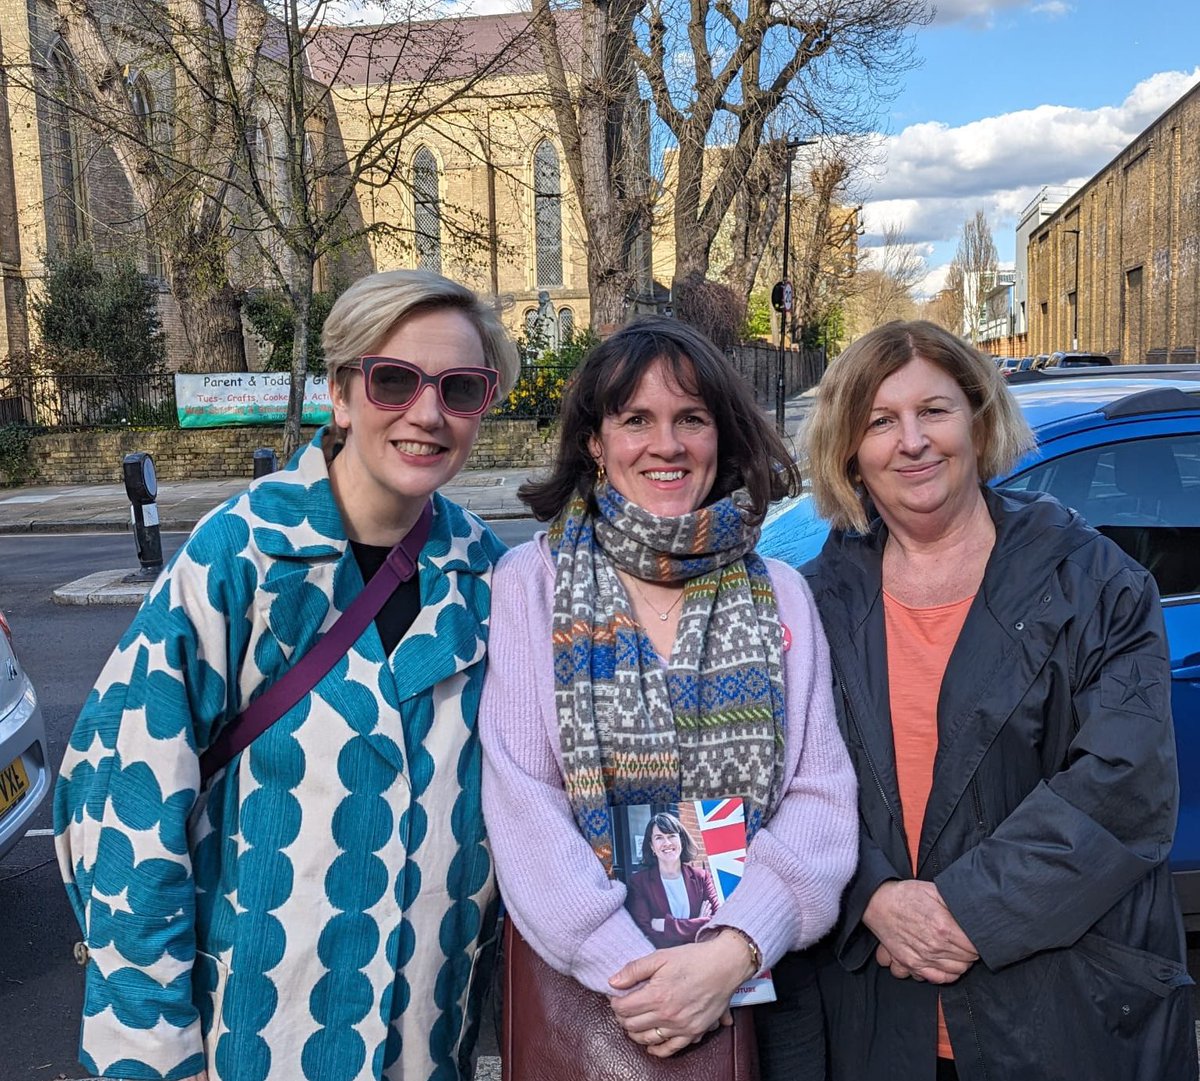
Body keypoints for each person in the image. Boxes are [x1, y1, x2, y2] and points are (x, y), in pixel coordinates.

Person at [53, 269, 520, 1081]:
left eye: (461, 387)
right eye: (393, 379)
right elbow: (119, 806)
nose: (427, 412)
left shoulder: (490, 581)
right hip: (249, 1046)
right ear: (340, 394)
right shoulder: (242, 556)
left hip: (423, 1047)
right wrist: (158, 1053)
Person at [798, 319, 1196, 1081]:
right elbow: (787, 786)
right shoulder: (814, 600)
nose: (911, 441)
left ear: (979, 422)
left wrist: (960, 910)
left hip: (1057, 1015)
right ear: (849, 449)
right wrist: (871, 894)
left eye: (934, 411)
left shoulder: (1098, 582)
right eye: (881, 421)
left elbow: (1125, 786)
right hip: (876, 1018)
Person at [479, 316, 858, 1071]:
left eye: (691, 418)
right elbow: (524, 801)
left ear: (721, 435)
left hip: (762, 991)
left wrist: (730, 955)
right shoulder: (534, 583)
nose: (667, 444)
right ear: (595, 440)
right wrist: (638, 975)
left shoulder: (779, 594)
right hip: (590, 1000)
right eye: (636, 420)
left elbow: (821, 799)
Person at [625, 812, 720, 948]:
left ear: (681, 840)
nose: (667, 843)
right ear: (652, 846)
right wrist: (699, 922)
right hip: (663, 962)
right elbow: (644, 933)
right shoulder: (638, 883)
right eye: (659, 838)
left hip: (700, 959)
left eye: (671, 836)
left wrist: (665, 925)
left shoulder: (702, 877)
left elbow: (717, 922)